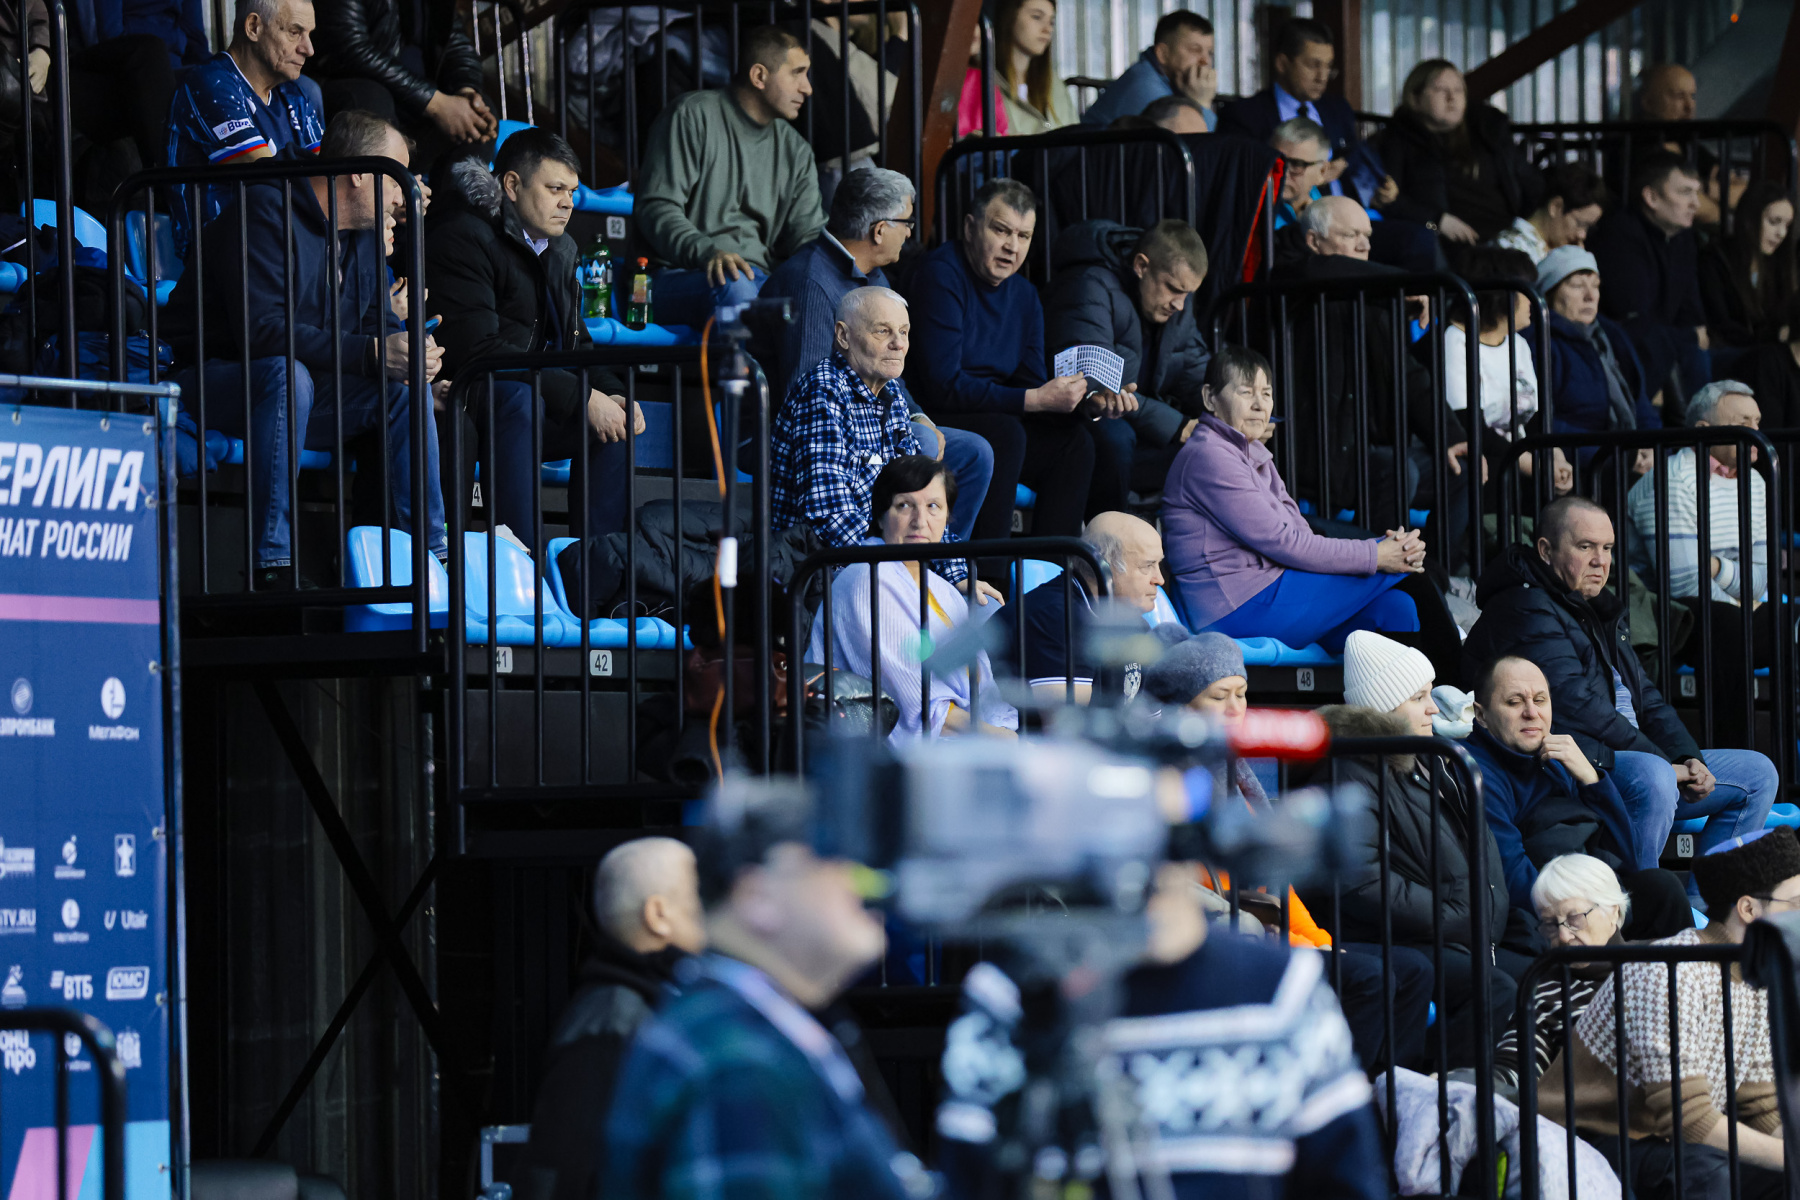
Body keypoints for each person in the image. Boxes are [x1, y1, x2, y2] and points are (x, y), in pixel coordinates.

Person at [603, 777, 928, 1200]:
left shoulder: (737, 1031)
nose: (872, 883)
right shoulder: (738, 1060)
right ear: (758, 897)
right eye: (841, 861)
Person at [162, 109, 447, 588]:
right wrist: (374, 353)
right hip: (208, 383)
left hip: (300, 394)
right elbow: (261, 332)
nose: (405, 194)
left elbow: (376, 324)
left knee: (401, 392)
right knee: (285, 373)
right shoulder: (265, 207)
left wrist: (405, 352)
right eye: (396, 176)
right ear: (359, 173)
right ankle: (272, 565)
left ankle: (425, 560)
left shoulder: (364, 236)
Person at [1463, 497, 1778, 880]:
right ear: (1546, 550)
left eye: (1608, 548)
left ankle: (1706, 905)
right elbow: (1578, 707)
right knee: (1654, 776)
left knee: (1758, 774)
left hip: (1629, 758)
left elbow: (1649, 699)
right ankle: (1638, 905)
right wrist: (1665, 764)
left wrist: (1687, 756)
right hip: (1574, 763)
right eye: (1585, 547)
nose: (1601, 561)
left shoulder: (1596, 606)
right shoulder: (1526, 605)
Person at [426, 128, 644, 595]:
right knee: (520, 400)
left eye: (572, 191)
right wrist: (579, 396)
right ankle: (518, 569)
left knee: (612, 421)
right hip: (465, 398)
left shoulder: (561, 248)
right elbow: (477, 351)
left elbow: (577, 345)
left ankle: (597, 579)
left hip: (535, 394)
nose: (568, 203)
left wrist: (611, 392)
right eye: (554, 188)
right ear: (511, 185)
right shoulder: (463, 235)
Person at [1539, 825, 1800, 1200]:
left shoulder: (1758, 975)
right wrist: (1790, 1156)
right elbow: (1688, 1119)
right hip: (1581, 1138)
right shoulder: (1667, 971)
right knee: (1706, 1171)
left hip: (1658, 1140)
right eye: (1796, 903)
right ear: (1748, 909)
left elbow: (1760, 1105)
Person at [1301, 632, 1514, 1070]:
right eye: (1419, 698)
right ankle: (1432, 1097)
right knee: (1494, 989)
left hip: (1454, 935)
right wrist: (1454, 916)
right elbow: (1359, 881)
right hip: (1395, 940)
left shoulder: (1430, 760)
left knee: (1544, 974)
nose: (1433, 708)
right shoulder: (1349, 771)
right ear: (1382, 709)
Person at [755, 170, 993, 541]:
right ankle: (899, 549)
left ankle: (930, 556)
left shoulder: (875, 276)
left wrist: (916, 413)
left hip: (862, 421)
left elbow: (887, 377)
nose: (911, 233)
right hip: (804, 436)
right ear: (879, 230)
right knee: (925, 445)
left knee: (975, 452)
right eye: (907, 222)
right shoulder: (810, 283)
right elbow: (806, 392)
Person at [1162, 344, 1427, 650]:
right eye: (1246, 392)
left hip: (1273, 592)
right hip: (1234, 607)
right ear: (1210, 398)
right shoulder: (1209, 455)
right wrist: (1377, 554)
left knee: (1396, 609)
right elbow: (1284, 543)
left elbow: (1300, 533)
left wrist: (1385, 551)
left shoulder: (1248, 453)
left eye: (1266, 393)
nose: (1260, 405)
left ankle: (1415, 682)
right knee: (1405, 574)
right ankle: (1456, 671)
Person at [1281, 196, 1474, 560]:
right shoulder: (1289, 280)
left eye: (1367, 236)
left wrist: (1450, 435)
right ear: (1313, 242)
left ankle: (1435, 575)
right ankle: (1376, 573)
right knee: (1398, 471)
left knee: (1461, 469)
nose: (1364, 245)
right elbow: (1317, 271)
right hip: (1313, 449)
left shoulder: (1375, 300)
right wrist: (1401, 283)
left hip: (1367, 447)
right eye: (1350, 235)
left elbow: (1409, 375)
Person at [906, 178, 1096, 541]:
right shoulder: (940, 274)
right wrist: (1034, 399)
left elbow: (1030, 383)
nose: (1013, 246)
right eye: (1001, 230)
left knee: (1076, 443)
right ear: (969, 228)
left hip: (995, 414)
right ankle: (988, 568)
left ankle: (1050, 566)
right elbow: (942, 385)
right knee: (1006, 433)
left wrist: (1086, 402)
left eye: (1024, 236)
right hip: (935, 414)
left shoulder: (1025, 295)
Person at [519, 837, 706, 1200]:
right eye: (699, 894)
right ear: (658, 915)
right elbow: (560, 1175)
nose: (711, 908)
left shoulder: (647, 1008)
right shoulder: (611, 1024)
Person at [1466, 655, 1694, 941]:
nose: (1531, 712)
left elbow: (1626, 859)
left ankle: (1688, 972)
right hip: (1541, 920)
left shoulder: (1557, 758)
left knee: (1661, 888)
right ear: (1482, 715)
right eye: (1514, 702)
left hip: (1589, 901)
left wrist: (1591, 779)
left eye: (1540, 700)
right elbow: (1512, 879)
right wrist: (1584, 917)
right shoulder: (1476, 772)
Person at [772, 286, 972, 593]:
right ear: (843, 336)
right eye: (883, 331)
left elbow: (921, 500)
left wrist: (957, 575)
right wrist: (904, 568)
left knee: (983, 606)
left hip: (884, 564)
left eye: (903, 332)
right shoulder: (823, 393)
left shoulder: (892, 395)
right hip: (826, 575)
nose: (898, 344)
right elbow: (828, 518)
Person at [808, 455, 1016, 742]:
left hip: (962, 743)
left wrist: (1005, 730)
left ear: (947, 517)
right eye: (904, 505)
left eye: (933, 507)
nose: (920, 521)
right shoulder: (866, 579)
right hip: (876, 754)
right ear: (880, 516)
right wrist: (1002, 739)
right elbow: (918, 706)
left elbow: (985, 688)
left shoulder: (944, 590)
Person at [636, 25, 826, 328]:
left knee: (823, 301)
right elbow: (656, 207)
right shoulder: (692, 115)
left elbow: (808, 237)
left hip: (757, 279)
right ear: (759, 76)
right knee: (736, 289)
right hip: (674, 276)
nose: (808, 88)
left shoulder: (796, 150)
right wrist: (707, 252)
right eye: (797, 73)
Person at [1218, 18, 1437, 271]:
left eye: (1328, 67)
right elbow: (1243, 180)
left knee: (1419, 239)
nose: (1322, 76)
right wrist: (1308, 175)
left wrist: (1377, 188)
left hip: (1350, 220)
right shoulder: (1246, 114)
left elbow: (1354, 162)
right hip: (1293, 224)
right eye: (1313, 65)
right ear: (1282, 63)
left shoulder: (1337, 109)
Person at [1625, 380, 1772, 731]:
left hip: (1729, 606)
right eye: (1743, 423)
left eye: (1757, 421)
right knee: (1725, 624)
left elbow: (1761, 578)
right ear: (1704, 429)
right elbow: (1683, 585)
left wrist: (1715, 565)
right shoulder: (1673, 479)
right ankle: (1732, 753)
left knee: (1791, 620)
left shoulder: (1755, 481)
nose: (1756, 433)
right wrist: (1742, 599)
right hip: (1661, 614)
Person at [1045, 218, 1211, 514]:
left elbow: (1196, 372)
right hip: (1079, 423)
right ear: (1141, 265)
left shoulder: (1176, 309)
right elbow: (1095, 385)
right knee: (1116, 437)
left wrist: (1235, 406)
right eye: (1173, 289)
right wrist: (1177, 425)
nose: (1180, 305)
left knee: (1220, 444)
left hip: (1141, 427)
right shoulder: (1089, 285)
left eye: (1187, 294)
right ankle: (1108, 537)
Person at [167, 0, 325, 258]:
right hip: (222, 260)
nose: (308, 49)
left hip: (283, 247)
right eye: (294, 32)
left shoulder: (296, 92)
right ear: (253, 27)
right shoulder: (210, 83)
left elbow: (327, 180)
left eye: (309, 34)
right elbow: (269, 177)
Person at [1491, 854, 1633, 1095]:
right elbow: (1515, 1067)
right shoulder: (1544, 991)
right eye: (1550, 924)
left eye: (1574, 919)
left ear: (1612, 910)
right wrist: (1472, 1084)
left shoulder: (1659, 966)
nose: (1564, 936)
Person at [1586, 151, 1709, 408]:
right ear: (1651, 197)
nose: (1696, 204)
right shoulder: (1619, 234)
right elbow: (1636, 319)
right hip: (1627, 351)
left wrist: (1689, 336)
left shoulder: (1684, 238)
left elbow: (1694, 319)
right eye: (1685, 192)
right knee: (1667, 345)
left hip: (1670, 349)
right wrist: (1687, 337)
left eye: (1696, 193)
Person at [1001, 510, 1163, 704]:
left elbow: (1145, 716)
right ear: (1104, 565)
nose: (1160, 579)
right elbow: (1067, 720)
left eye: (1159, 565)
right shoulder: (1057, 616)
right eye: (1147, 566)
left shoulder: (1134, 624)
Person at [1373, 59, 1540, 247]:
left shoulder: (1488, 132)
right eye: (1440, 89)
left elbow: (1531, 184)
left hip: (1509, 238)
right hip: (1448, 246)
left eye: (1459, 90)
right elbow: (1388, 201)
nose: (1452, 97)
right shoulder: (1396, 141)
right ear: (1415, 98)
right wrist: (1437, 221)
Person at [305, 0, 494, 147]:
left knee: (480, 116)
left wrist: (466, 91)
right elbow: (349, 49)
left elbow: (454, 40)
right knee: (372, 99)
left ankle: (457, 188)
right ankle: (380, 186)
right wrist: (435, 103)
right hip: (357, 89)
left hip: (416, 101)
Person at [1527, 245, 1660, 447]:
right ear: (1548, 294)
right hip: (1581, 459)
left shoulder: (1611, 336)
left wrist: (1652, 448)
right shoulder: (1539, 343)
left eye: (1595, 286)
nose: (1590, 296)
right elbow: (1541, 423)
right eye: (1577, 286)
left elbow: (1641, 405)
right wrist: (1611, 455)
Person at [1443, 245, 1540, 447]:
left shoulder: (1518, 343)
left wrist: (1553, 453)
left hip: (1519, 456)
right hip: (1485, 458)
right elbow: (1467, 424)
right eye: (1525, 289)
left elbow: (1534, 420)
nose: (1534, 298)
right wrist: (1527, 461)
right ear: (1500, 294)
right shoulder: (1454, 340)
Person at [1697, 181, 1798, 369]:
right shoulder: (1715, 260)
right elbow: (1722, 324)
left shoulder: (1779, 264)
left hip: (1768, 354)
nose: (1781, 233)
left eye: (1787, 225)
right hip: (1729, 354)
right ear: (1750, 219)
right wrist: (1775, 336)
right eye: (1774, 222)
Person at [1633, 62, 1745, 229]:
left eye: (1692, 96)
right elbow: (1694, 209)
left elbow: (1741, 190)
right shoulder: (1638, 146)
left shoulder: (1685, 141)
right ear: (1648, 103)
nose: (1690, 106)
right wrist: (1711, 193)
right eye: (1679, 96)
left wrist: (1706, 190)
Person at [1079, 10, 1216, 131]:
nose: (1205, 61)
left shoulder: (1171, 82)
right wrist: (1201, 102)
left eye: (1209, 53)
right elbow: (1194, 142)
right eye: (1195, 50)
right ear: (1163, 54)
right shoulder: (1143, 85)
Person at [1492, 161, 1607, 263]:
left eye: (1588, 228)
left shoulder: (1561, 251)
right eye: (1580, 224)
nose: (1582, 235)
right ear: (1556, 207)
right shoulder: (1510, 249)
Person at [992, 0, 1075, 135]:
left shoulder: (1055, 84)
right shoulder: (982, 81)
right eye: (1036, 17)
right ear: (1009, 17)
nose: (1047, 29)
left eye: (1051, 22)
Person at [1271, 115, 1331, 228]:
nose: (1283, 172)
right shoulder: (1249, 207)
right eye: (1276, 160)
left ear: (1321, 172)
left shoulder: (1333, 218)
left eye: (1297, 164)